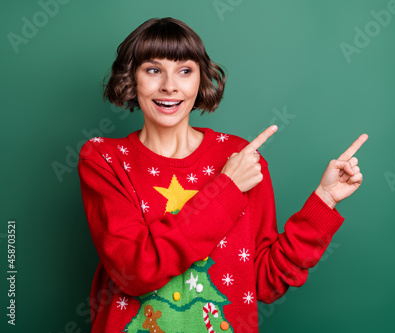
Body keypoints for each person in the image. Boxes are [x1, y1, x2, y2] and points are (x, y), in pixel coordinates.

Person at [77, 17, 367, 333]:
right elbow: (135, 270)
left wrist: (324, 202)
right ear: (131, 77)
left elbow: (265, 282)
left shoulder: (239, 158)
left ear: (202, 79)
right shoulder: (104, 158)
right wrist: (226, 188)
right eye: (153, 70)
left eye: (184, 71)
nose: (169, 85)